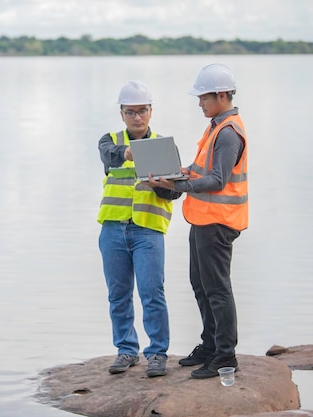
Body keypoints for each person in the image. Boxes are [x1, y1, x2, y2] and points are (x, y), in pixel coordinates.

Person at [148, 63, 248, 379]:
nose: (199, 103)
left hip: (219, 222)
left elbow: (217, 180)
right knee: (201, 285)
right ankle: (209, 345)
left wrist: (176, 186)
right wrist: (176, 173)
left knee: (217, 290)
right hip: (204, 220)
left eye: (203, 97)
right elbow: (202, 168)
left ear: (221, 95)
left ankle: (225, 356)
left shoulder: (228, 133)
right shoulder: (216, 126)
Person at [97, 80, 182, 378]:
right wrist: (129, 153)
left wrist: (162, 187)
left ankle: (157, 353)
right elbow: (109, 155)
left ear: (150, 111)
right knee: (118, 294)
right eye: (130, 112)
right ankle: (126, 350)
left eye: (142, 111)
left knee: (152, 292)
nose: (137, 117)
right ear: (121, 113)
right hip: (113, 230)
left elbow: (175, 192)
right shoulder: (110, 141)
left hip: (147, 230)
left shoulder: (164, 146)